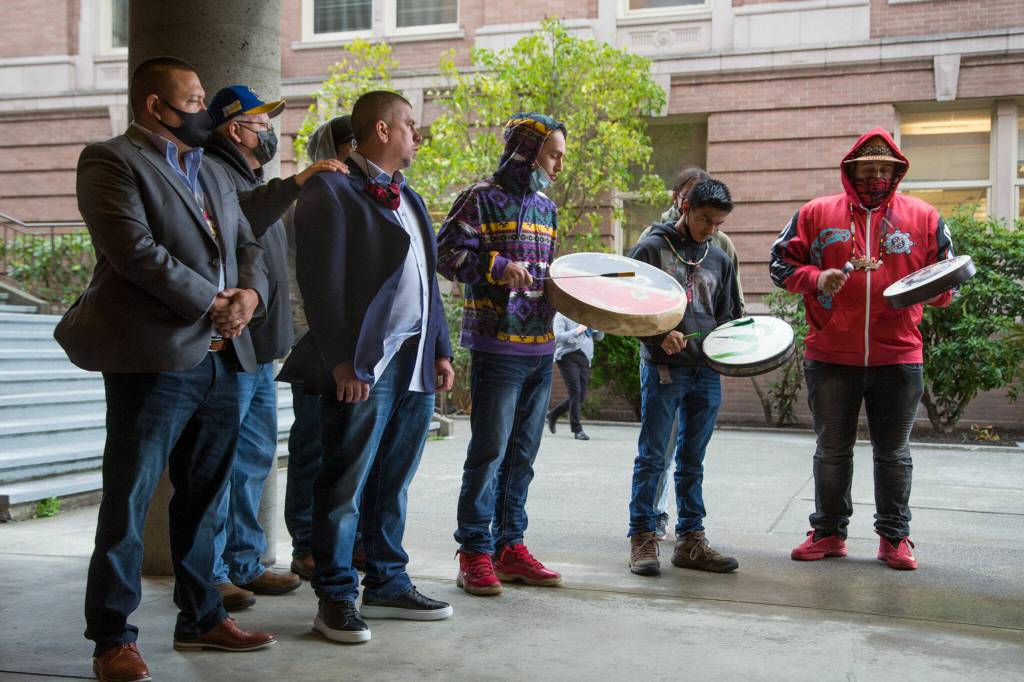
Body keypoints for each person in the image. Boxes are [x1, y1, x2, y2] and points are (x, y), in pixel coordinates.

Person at [54, 56, 276, 682]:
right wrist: (215, 301)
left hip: (222, 361)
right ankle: (112, 639)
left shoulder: (210, 169)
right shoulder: (110, 160)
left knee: (205, 499)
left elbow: (248, 244)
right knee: (127, 502)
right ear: (156, 105)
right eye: (196, 96)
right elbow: (134, 252)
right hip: (154, 362)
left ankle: (202, 617)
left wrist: (250, 297)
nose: (206, 108)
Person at [284, 90, 455, 644]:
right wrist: (342, 361)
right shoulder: (330, 190)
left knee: (394, 479)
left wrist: (441, 349)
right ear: (382, 131)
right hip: (364, 362)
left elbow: (428, 282)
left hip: (414, 360)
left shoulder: (413, 197)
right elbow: (322, 287)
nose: (417, 135)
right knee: (344, 481)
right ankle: (334, 595)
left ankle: (386, 581)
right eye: (411, 125)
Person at [769, 128, 954, 571]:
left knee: (894, 453)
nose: (875, 176)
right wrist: (816, 279)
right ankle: (829, 532)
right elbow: (780, 263)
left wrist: (933, 290)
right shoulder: (816, 213)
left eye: (883, 170)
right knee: (832, 450)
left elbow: (947, 279)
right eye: (866, 169)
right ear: (850, 171)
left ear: (897, 172)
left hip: (899, 354)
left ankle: (895, 536)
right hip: (831, 354)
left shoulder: (924, 217)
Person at [202, 85, 348, 611]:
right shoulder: (213, 173)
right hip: (232, 344)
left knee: (254, 458)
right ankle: (212, 571)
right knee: (220, 462)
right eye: (262, 123)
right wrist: (300, 180)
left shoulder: (252, 177)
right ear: (234, 128)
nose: (270, 132)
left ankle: (244, 562)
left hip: (261, 346)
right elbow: (237, 224)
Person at [437, 112, 567, 596]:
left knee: (523, 454)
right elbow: (445, 253)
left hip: (542, 346)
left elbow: (547, 275)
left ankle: (510, 545)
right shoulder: (479, 198)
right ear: (527, 152)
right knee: (488, 452)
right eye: (552, 155)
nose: (557, 165)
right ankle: (474, 550)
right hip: (498, 347)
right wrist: (497, 265)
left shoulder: (546, 208)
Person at [626, 178, 740, 578]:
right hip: (663, 370)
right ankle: (642, 534)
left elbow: (728, 317)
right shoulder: (651, 249)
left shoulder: (720, 258)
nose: (711, 229)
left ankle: (691, 539)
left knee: (693, 460)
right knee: (654, 456)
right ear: (685, 206)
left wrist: (734, 351)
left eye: (719, 223)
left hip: (706, 373)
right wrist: (659, 334)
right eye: (706, 219)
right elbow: (627, 307)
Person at [281, 114, 365, 581]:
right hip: (314, 342)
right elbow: (301, 281)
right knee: (313, 446)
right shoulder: (310, 199)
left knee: (348, 452)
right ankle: (305, 545)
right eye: (352, 141)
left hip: (356, 348)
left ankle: (342, 544)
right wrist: (304, 336)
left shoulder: (365, 197)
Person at [546, 313, 604, 440]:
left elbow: (599, 337)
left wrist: (600, 326)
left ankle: (553, 414)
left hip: (585, 359)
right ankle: (577, 430)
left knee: (580, 395)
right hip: (567, 356)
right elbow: (558, 336)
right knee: (575, 391)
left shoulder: (588, 316)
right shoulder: (562, 316)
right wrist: (578, 330)